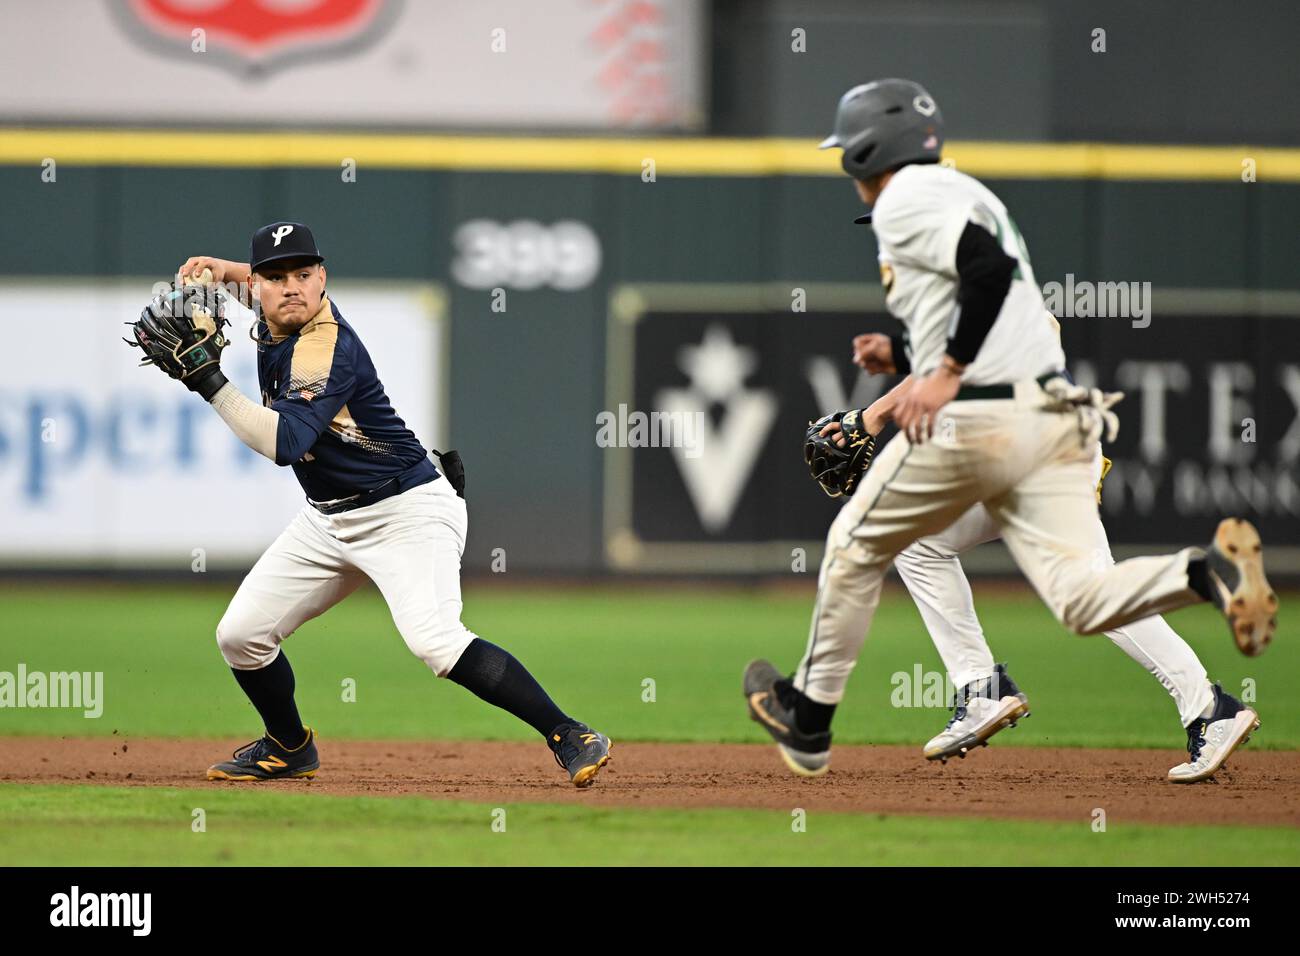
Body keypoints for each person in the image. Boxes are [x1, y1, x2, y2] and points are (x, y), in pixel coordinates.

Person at [743, 80, 1276, 784]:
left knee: (857, 539)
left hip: (995, 427)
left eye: (851, 154)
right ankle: (1205, 609)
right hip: (1057, 425)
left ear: (869, 151)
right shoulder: (970, 197)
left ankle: (809, 718)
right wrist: (905, 359)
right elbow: (997, 313)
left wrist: (883, 409)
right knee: (1081, 595)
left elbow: (984, 283)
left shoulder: (909, 197)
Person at [151, 221, 611, 787]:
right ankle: (289, 747)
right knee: (240, 636)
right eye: (275, 277)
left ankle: (569, 733)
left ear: (323, 280)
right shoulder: (276, 304)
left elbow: (284, 443)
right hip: (329, 518)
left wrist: (208, 380)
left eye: (304, 274)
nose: (290, 286)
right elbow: (260, 285)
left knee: (437, 643)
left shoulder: (327, 346)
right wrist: (222, 271)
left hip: (406, 510)